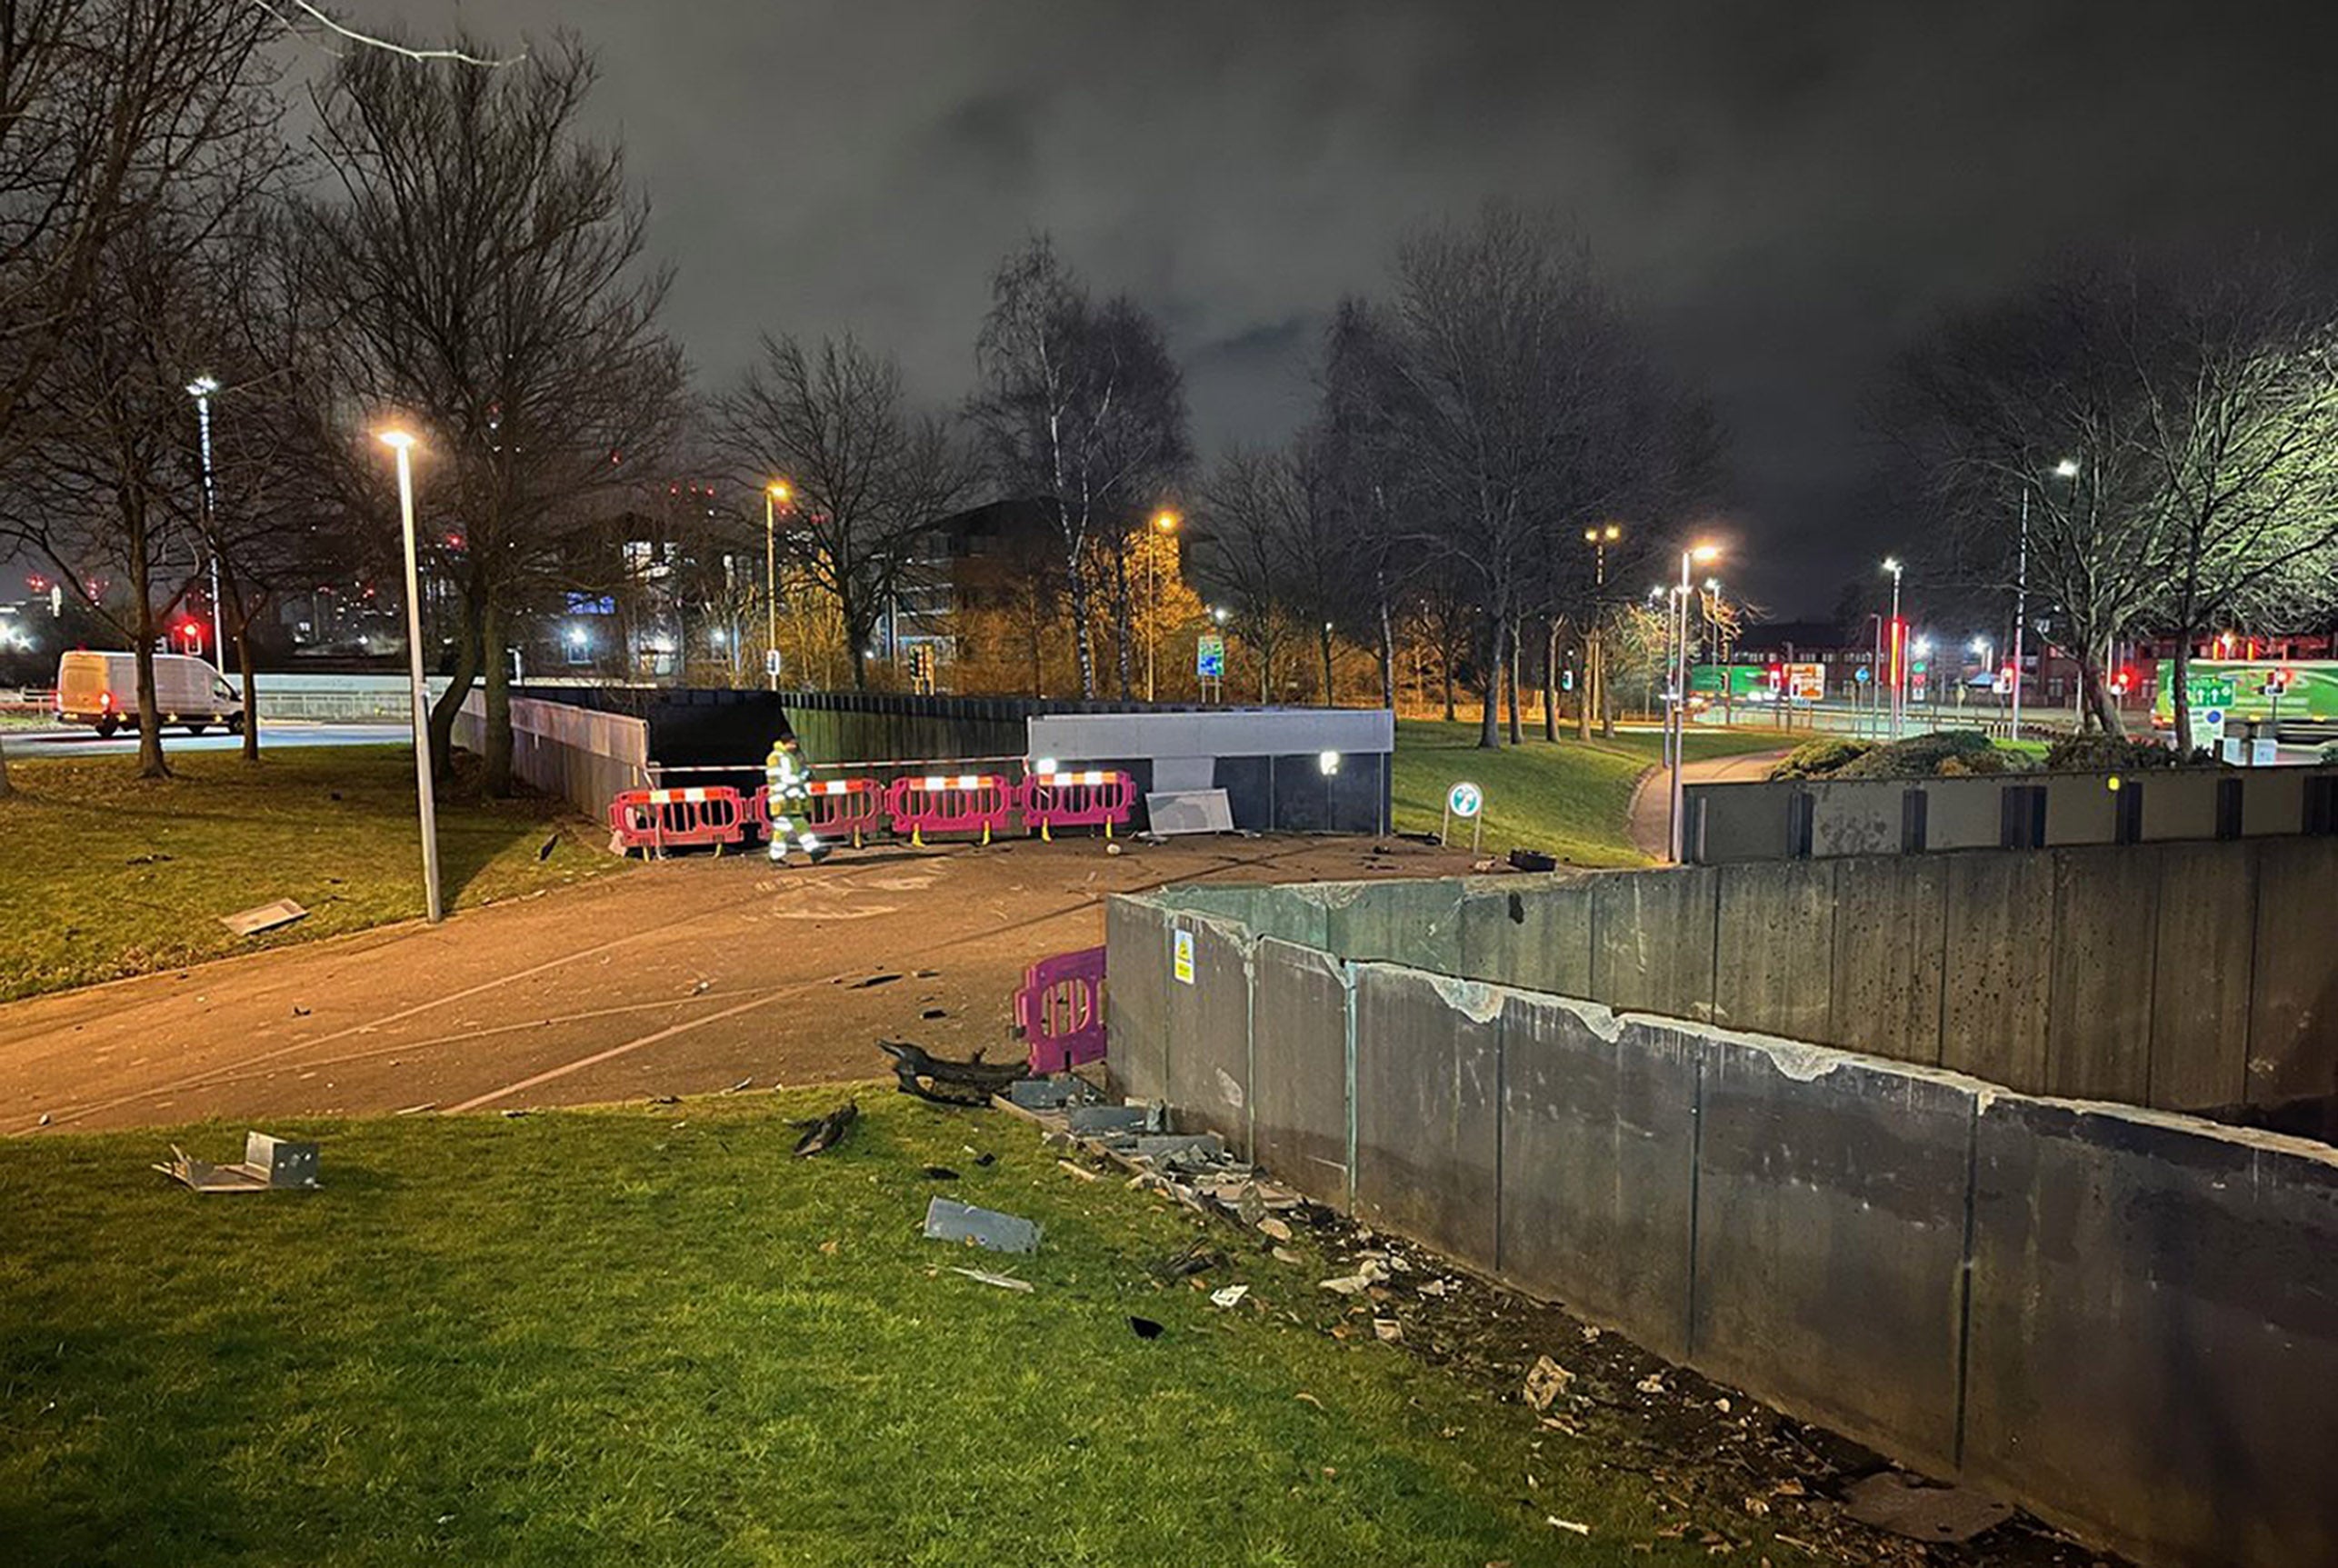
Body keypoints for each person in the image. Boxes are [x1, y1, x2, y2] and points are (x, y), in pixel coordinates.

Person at [763, 735, 828, 864]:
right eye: (792, 744)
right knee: (785, 828)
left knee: (798, 825)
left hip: (790, 800)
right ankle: (777, 856)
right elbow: (777, 778)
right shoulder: (776, 757)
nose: (795, 746)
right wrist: (800, 778)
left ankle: (813, 851)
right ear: (785, 743)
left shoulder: (787, 756)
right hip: (782, 800)